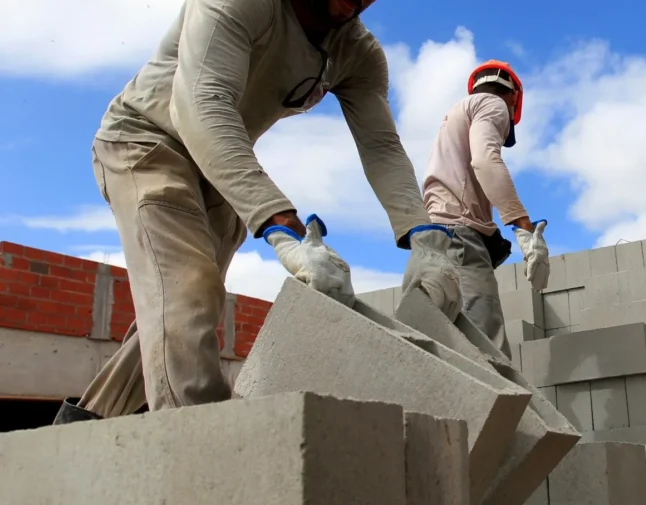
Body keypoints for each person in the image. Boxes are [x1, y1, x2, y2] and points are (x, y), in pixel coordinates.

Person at [52, 0, 461, 424]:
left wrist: (424, 237)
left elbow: (382, 147)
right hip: (147, 141)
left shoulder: (359, 54)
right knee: (188, 294)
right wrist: (279, 222)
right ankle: (208, 452)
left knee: (177, 315)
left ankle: (74, 433)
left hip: (219, 169)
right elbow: (200, 103)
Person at [419, 59, 550, 357]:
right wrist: (524, 229)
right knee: (487, 353)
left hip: (433, 239)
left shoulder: (456, 114)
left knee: (448, 353)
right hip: (460, 238)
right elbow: (485, 161)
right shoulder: (493, 105)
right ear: (514, 96)